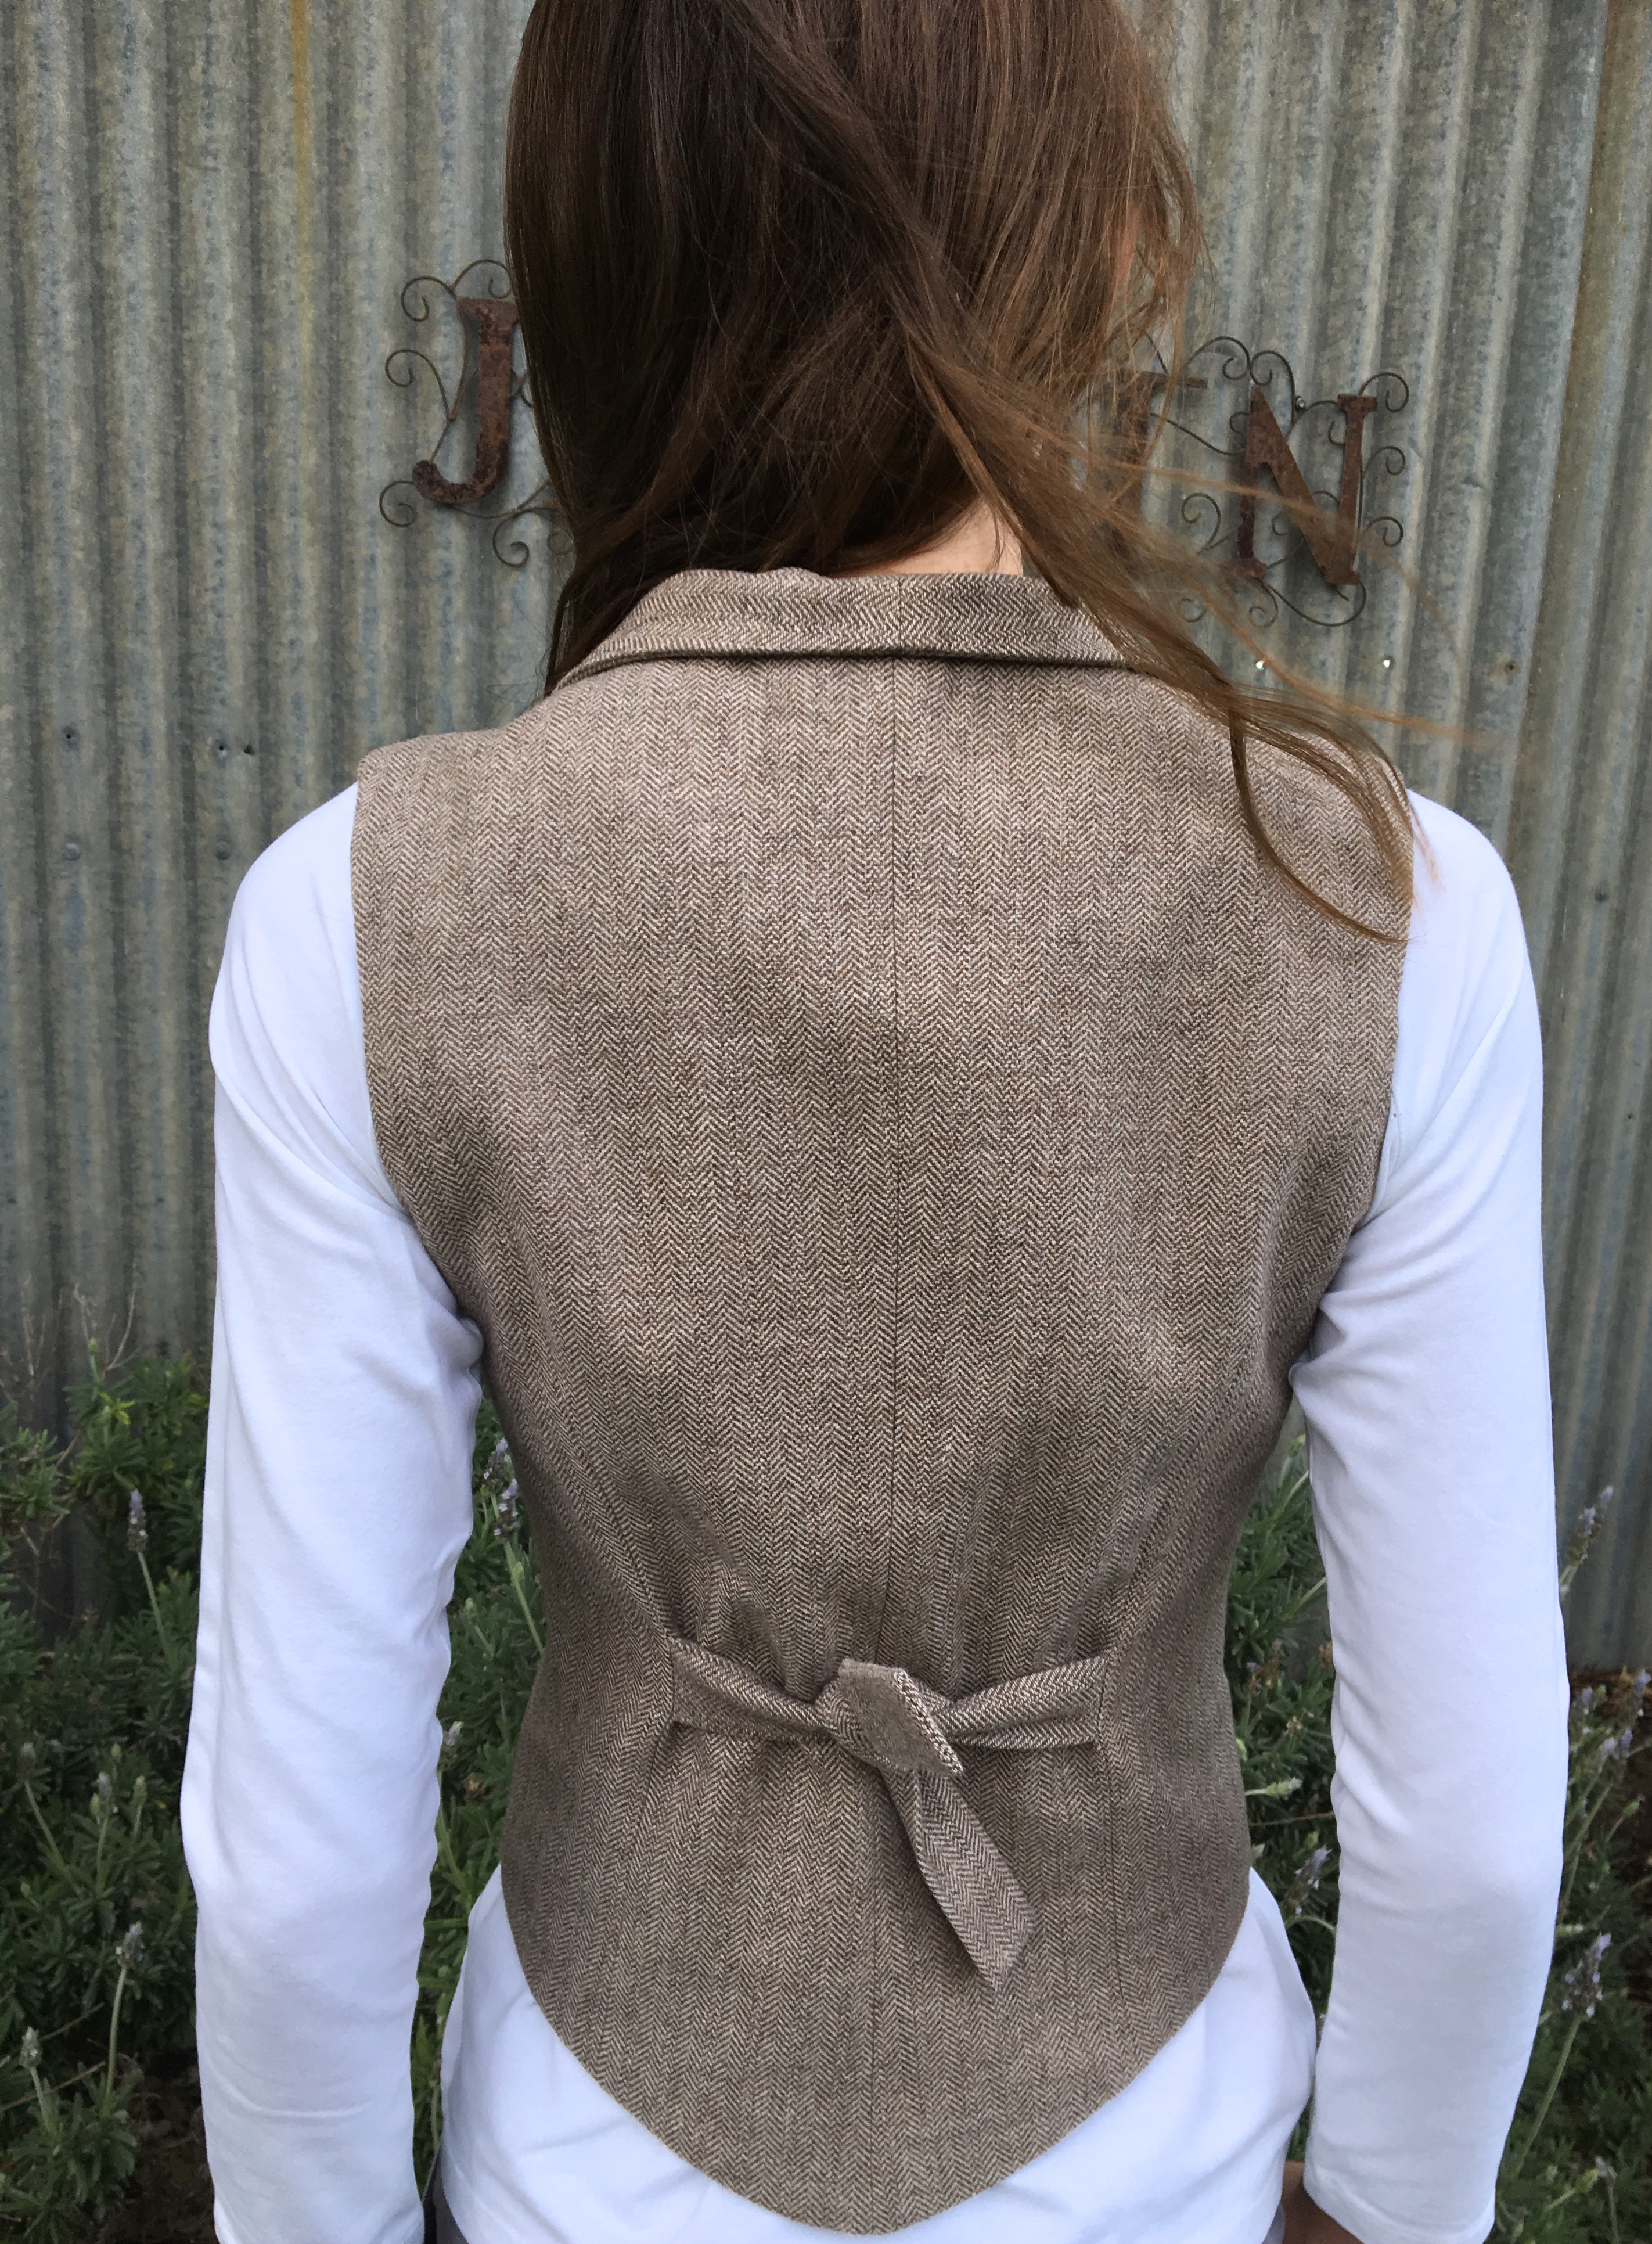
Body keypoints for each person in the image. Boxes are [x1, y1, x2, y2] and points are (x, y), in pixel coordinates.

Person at [179, 3, 1570, 2242]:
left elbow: (296, 1858)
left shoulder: (362, 916)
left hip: (589, 2154)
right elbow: (1483, 1832)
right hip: (1159, 2142)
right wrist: (1392, 2208)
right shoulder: (1387, 906)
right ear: (1108, 248)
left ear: (585, 267)